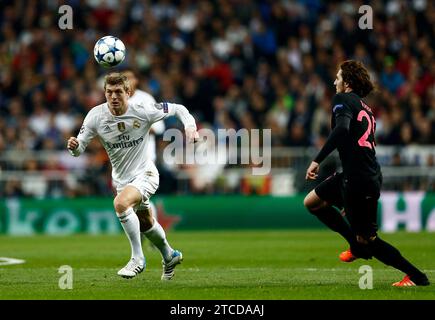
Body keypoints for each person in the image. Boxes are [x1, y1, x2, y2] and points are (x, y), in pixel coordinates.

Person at [304, 60, 430, 287]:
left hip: (359, 180)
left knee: (369, 240)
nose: (335, 82)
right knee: (312, 202)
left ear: (348, 83)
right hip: (355, 175)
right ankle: (355, 244)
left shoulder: (342, 99)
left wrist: (317, 160)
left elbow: (341, 130)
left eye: (338, 78)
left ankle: (416, 277)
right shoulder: (366, 109)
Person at [67, 72, 199, 280]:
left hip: (146, 173)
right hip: (122, 180)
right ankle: (169, 255)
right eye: (109, 92)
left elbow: (178, 109)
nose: (114, 97)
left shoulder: (143, 110)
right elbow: (79, 148)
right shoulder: (95, 116)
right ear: (104, 93)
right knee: (146, 222)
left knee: (120, 204)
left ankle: (137, 258)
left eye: (119, 92)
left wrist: (190, 127)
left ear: (128, 93)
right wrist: (74, 146)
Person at [122, 68, 164, 241]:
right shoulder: (115, 100)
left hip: (144, 157)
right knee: (135, 200)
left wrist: (137, 124)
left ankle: (152, 231)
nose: (127, 81)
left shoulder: (145, 99)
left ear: (136, 81)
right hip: (123, 159)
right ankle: (152, 231)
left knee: (138, 197)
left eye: (130, 78)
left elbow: (160, 128)